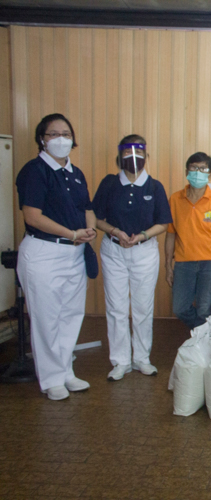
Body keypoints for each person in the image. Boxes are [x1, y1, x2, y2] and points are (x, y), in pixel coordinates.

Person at [15, 113, 97, 400]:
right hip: (43, 253)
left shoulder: (76, 173)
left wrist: (88, 229)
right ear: (42, 138)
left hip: (73, 254)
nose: (61, 139)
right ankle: (51, 379)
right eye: (53, 134)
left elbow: (87, 206)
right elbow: (32, 216)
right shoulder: (34, 171)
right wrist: (72, 232)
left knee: (71, 315)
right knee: (46, 318)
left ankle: (65, 372)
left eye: (66, 134)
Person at [93, 135, 172, 381]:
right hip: (114, 251)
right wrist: (115, 232)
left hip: (144, 252)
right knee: (116, 308)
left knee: (142, 307)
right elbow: (95, 217)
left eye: (139, 152)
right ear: (120, 155)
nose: (133, 158)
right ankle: (120, 361)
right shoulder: (109, 183)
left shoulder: (155, 186)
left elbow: (164, 223)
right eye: (128, 153)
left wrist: (142, 236)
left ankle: (141, 359)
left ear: (147, 156)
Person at [165, 152, 211, 329]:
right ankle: (203, 334)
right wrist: (167, 266)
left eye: (203, 169)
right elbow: (170, 234)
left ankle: (201, 342)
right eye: (194, 168)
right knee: (180, 308)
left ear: (210, 175)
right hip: (183, 263)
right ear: (187, 171)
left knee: (205, 310)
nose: (198, 172)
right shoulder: (175, 199)